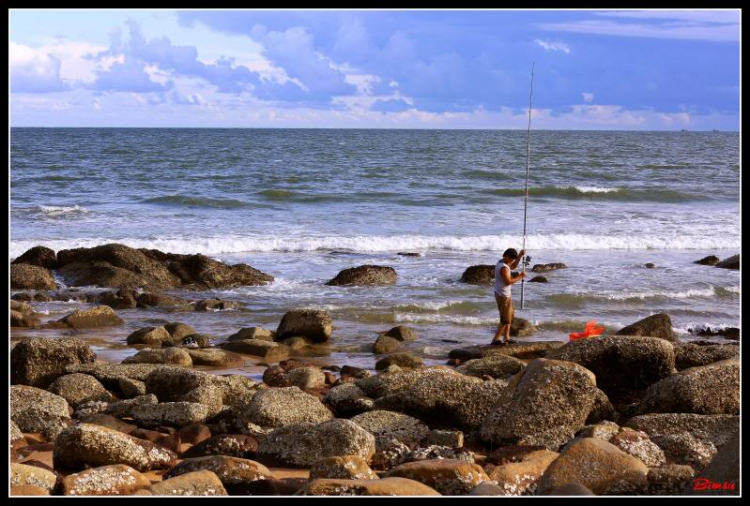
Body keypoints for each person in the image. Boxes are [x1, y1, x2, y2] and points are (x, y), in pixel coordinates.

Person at [492, 247, 526, 345]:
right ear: (506, 256)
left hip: (505, 294)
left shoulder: (502, 262)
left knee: (510, 317)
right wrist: (520, 277)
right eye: (511, 259)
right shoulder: (503, 268)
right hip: (503, 295)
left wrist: (519, 256)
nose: (512, 261)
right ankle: (496, 339)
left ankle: (507, 338)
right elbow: (508, 282)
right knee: (505, 319)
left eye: (513, 259)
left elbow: (513, 266)